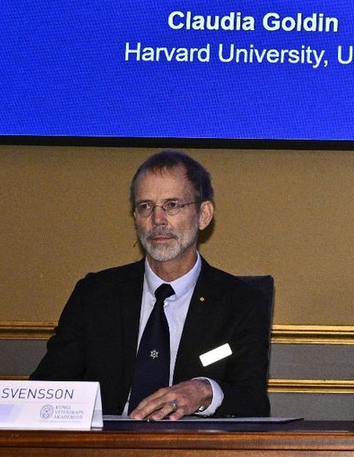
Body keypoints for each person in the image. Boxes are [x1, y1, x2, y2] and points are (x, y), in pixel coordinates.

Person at [32, 150, 271, 419]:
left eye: (172, 205)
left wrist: (204, 391)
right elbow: (46, 388)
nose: (157, 220)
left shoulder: (241, 304)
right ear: (135, 217)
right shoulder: (95, 296)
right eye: (145, 206)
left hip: (193, 455)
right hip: (102, 453)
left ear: (203, 215)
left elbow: (253, 402)